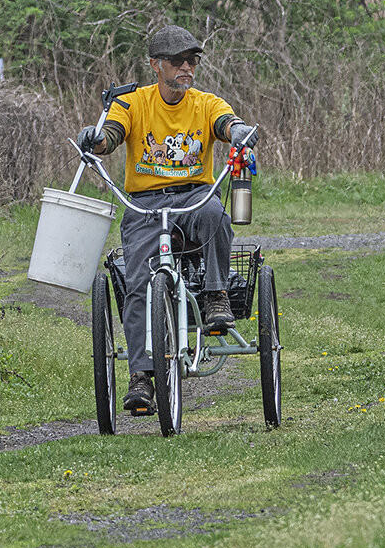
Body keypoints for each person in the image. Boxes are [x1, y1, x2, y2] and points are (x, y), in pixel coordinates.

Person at [77, 25, 257, 414]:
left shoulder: (206, 103)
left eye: (192, 60)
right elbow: (111, 135)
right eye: (177, 61)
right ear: (157, 65)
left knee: (215, 215)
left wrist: (238, 131)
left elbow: (226, 124)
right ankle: (142, 376)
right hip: (145, 203)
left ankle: (215, 297)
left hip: (195, 195)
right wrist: (95, 140)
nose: (187, 68)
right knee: (138, 280)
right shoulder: (132, 103)